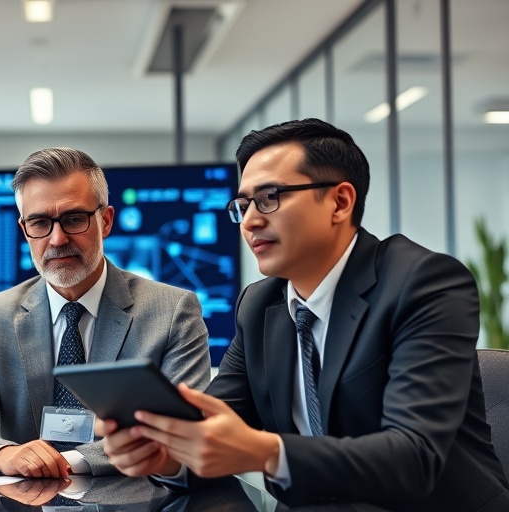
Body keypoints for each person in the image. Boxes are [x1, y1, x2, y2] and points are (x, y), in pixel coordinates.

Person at [99, 118, 509, 510]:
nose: (250, 221)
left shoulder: (422, 282)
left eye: (269, 198)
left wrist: (262, 450)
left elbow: (414, 458)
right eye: (242, 204)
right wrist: (166, 454)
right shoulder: (258, 306)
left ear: (340, 201)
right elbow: (216, 436)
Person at [0, 147, 212, 478]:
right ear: (25, 230)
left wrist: (69, 463)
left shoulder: (172, 311)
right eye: (40, 222)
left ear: (106, 221)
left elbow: (185, 432)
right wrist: (4, 454)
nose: (57, 238)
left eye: (73, 218)